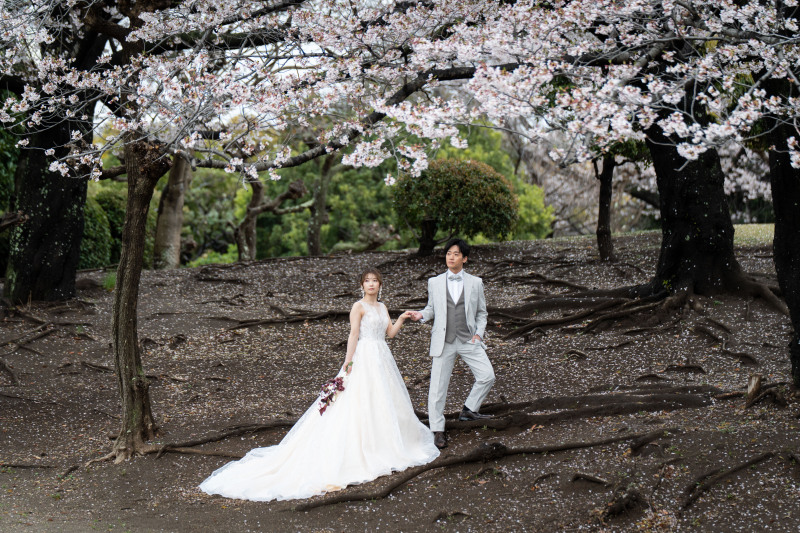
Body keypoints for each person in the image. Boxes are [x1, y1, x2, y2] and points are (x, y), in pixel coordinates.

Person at [199, 268, 439, 501]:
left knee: (384, 400)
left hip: (382, 356)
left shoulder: (382, 307)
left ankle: (387, 442)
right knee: (359, 399)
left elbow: (391, 333)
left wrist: (403, 318)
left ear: (380, 285)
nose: (371, 284)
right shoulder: (358, 307)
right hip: (364, 356)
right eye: (367, 280)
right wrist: (348, 363)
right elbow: (354, 335)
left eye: (375, 280)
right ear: (361, 285)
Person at [408, 238, 495, 449]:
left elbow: (482, 313)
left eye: (456, 254)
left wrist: (478, 335)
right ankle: (437, 430)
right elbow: (431, 309)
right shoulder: (435, 282)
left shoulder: (475, 283)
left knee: (487, 376)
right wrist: (420, 315)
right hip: (444, 341)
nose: (451, 257)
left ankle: (469, 409)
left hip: (468, 339)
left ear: (464, 259)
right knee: (438, 387)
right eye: (449, 253)